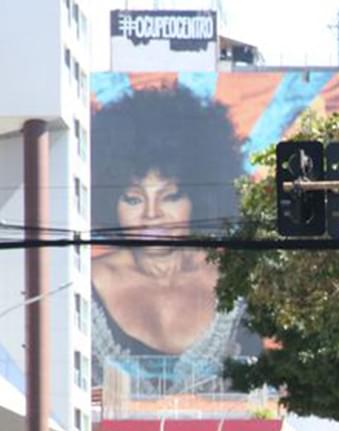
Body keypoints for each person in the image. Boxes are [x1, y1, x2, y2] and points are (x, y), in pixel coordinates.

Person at [90, 86, 249, 395]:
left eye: (171, 196)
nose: (152, 215)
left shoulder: (238, 283)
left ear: (199, 200)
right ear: (110, 203)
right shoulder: (79, 287)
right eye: (133, 199)